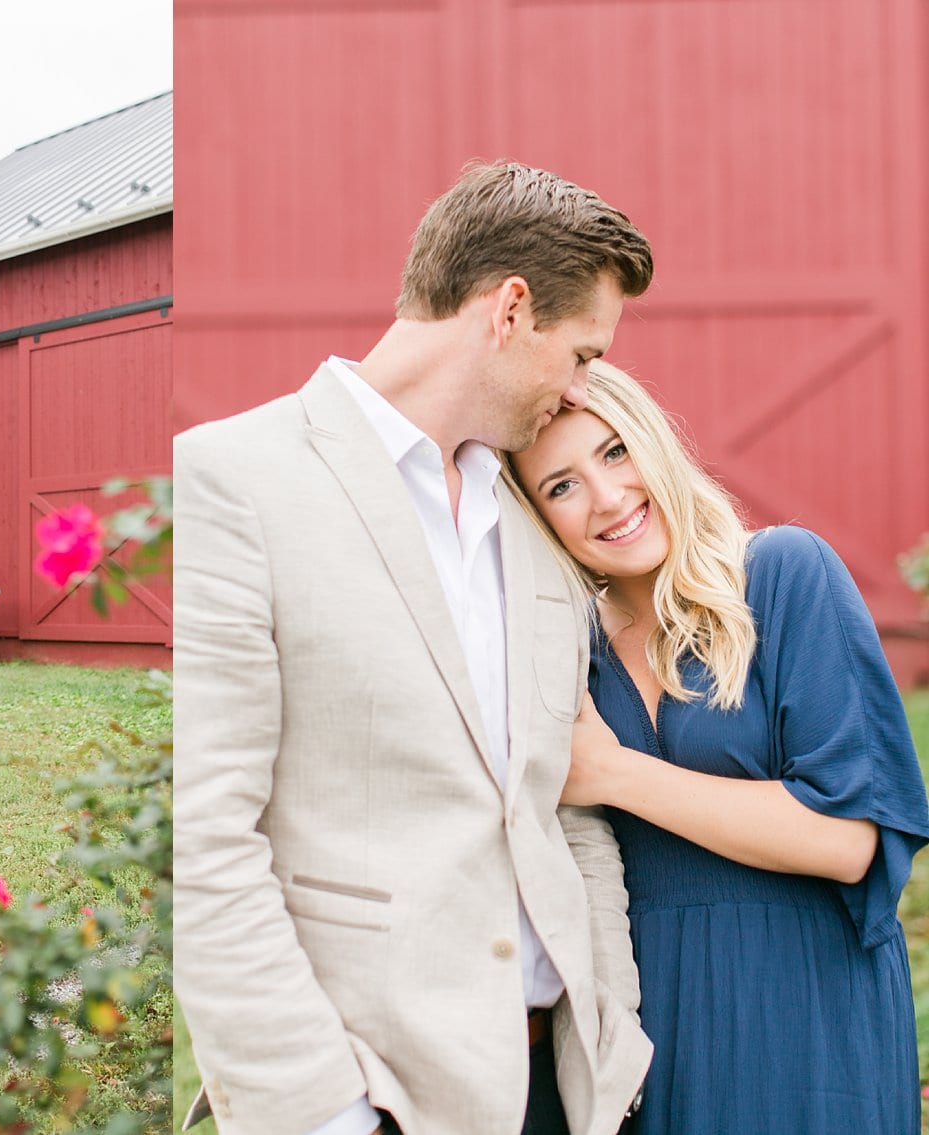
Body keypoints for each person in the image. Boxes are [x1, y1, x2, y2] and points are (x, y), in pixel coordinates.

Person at [174, 161, 655, 1135]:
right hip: (370, 1093)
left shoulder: (535, 533)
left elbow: (561, 809)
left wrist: (613, 1043)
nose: (580, 388)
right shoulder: (233, 479)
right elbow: (206, 834)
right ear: (509, 309)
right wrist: (324, 1113)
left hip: (553, 1090)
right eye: (581, 354)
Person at [505, 360, 929, 1133]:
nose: (606, 498)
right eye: (559, 486)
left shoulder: (780, 576)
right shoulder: (565, 656)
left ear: (654, 445)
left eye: (613, 452)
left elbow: (846, 839)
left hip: (807, 1007)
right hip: (647, 1018)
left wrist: (615, 773)